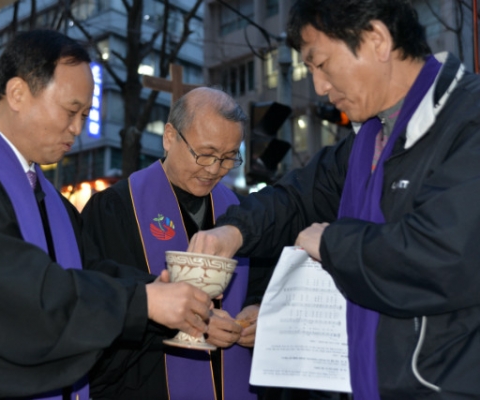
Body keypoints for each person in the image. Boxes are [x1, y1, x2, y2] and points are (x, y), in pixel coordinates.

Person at [0, 29, 213, 400]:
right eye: (71, 111)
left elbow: (87, 272)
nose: (78, 128)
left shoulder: (49, 199)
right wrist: (143, 303)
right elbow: (13, 293)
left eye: (85, 114)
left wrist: (163, 294)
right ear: (18, 93)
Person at [187, 0, 480, 399]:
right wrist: (233, 232)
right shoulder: (369, 139)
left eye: (320, 63)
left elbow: (442, 256)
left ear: (376, 39)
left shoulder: (468, 120)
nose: (320, 87)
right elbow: (296, 196)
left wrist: (331, 243)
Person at [81, 87, 266, 400]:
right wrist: (191, 326)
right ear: (169, 137)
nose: (213, 170)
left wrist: (255, 313)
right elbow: (100, 302)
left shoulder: (238, 215)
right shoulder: (115, 208)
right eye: (205, 154)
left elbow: (259, 282)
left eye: (227, 158)